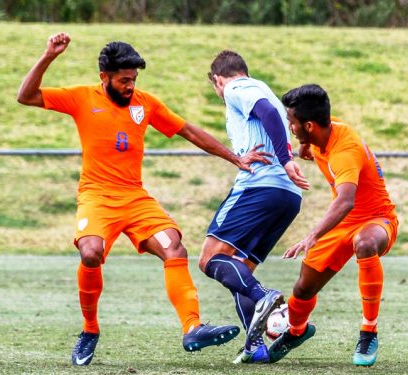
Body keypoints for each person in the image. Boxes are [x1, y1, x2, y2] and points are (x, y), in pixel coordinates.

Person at [16, 33, 269, 366]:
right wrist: (49, 55)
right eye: (123, 80)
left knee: (174, 246)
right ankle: (90, 329)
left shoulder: (145, 103)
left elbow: (189, 131)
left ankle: (192, 327)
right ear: (103, 77)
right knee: (91, 253)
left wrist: (234, 157)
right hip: (97, 197)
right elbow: (26, 96)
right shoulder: (80, 97)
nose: (130, 86)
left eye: (134, 80)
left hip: (135, 198)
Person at [267, 84, 398, 366]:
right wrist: (304, 144)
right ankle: (297, 331)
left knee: (364, 243)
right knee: (302, 289)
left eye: (292, 122)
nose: (290, 126)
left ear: (310, 125)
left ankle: (368, 332)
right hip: (342, 223)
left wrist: (311, 236)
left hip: (376, 218)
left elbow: (346, 201)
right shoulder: (324, 130)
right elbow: (318, 131)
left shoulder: (345, 150)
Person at [198, 50, 310, 364]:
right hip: (287, 197)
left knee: (210, 259)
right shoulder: (265, 89)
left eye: (216, 88)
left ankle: (269, 301)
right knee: (240, 270)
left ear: (218, 80)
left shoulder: (237, 88)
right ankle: (255, 348)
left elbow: (270, 115)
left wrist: (286, 162)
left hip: (260, 187)